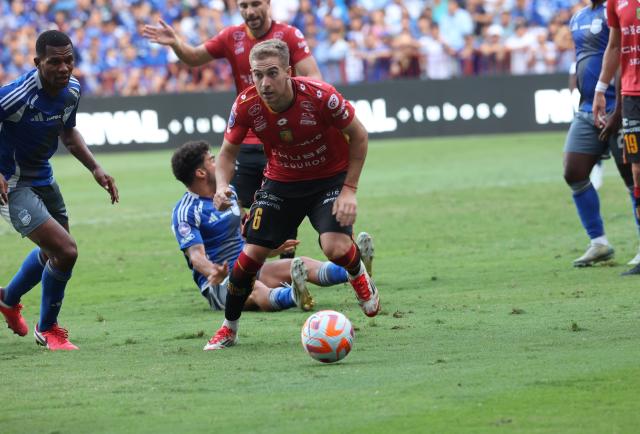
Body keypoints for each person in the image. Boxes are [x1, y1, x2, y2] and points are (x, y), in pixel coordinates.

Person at [204, 39, 380, 351]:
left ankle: (357, 272)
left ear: (289, 71)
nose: (264, 83)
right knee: (249, 258)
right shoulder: (246, 104)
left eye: (272, 73)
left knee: (335, 247)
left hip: (328, 179)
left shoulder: (321, 95)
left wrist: (349, 190)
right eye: (257, 75)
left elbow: (359, 135)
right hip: (281, 182)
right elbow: (227, 153)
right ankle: (228, 329)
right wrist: (220, 187)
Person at [142, 0, 322, 259]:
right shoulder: (231, 36)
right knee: (230, 200)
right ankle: (242, 265)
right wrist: (176, 44)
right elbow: (194, 57)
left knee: (282, 207)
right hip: (247, 138)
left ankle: (288, 268)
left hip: (280, 139)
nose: (250, 11)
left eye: (255, 4)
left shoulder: (289, 36)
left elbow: (314, 79)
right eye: (243, 6)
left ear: (268, 3)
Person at [0, 30, 119, 350]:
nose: (64, 68)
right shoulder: (15, 95)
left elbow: (68, 133)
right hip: (12, 184)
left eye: (69, 60)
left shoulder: (72, 90)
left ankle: (8, 299)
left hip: (43, 176)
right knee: (66, 251)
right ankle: (48, 329)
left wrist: (95, 168)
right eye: (55, 62)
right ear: (37, 62)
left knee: (53, 251)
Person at [170, 140, 375, 314]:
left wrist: (269, 249)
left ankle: (356, 269)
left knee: (301, 264)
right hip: (219, 284)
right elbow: (196, 256)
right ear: (200, 172)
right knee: (256, 289)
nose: (219, 163)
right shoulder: (186, 211)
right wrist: (214, 271)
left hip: (246, 268)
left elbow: (244, 236)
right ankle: (293, 295)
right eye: (212, 160)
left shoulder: (228, 192)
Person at [564, 0, 640, 268]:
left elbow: (621, 56)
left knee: (633, 176)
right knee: (573, 172)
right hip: (588, 109)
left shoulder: (616, 10)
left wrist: (618, 110)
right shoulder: (577, 18)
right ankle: (599, 243)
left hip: (618, 108)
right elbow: (581, 60)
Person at [594, 0, 640, 274]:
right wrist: (601, 88)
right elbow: (614, 46)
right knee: (637, 170)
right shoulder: (615, 2)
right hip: (632, 96)